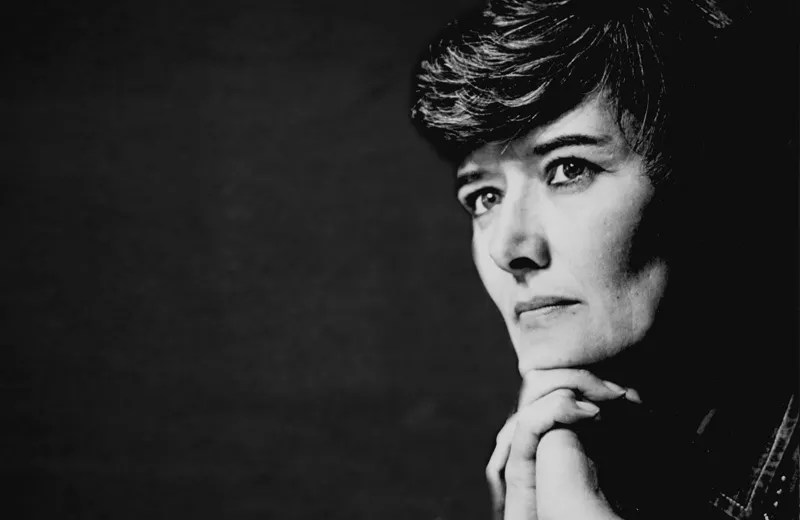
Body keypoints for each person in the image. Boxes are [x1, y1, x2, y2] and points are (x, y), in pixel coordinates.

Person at [410, 1, 798, 518]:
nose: (508, 249)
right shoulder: (586, 444)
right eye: (484, 197)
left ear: (709, 182)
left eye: (569, 169)